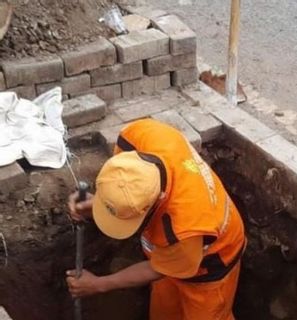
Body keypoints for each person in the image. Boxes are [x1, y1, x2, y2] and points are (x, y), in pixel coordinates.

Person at [66, 118, 246, 320]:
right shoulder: (140, 136)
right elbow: (125, 184)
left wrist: (99, 285)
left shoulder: (184, 227)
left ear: (157, 202)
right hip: (169, 253)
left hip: (211, 264)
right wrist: (104, 205)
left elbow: (156, 269)